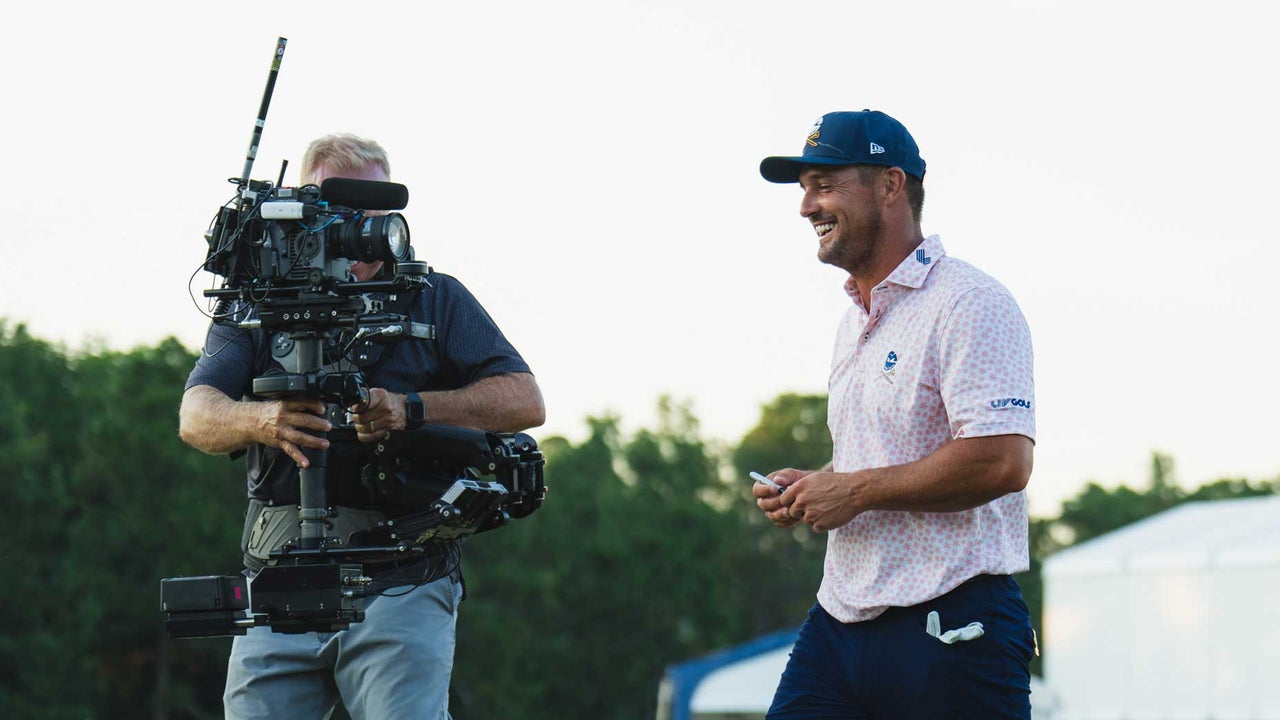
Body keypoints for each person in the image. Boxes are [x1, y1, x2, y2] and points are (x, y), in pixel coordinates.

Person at [179, 133, 545, 720]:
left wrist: (413, 409)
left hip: (401, 575)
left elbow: (524, 399)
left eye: (375, 216)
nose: (360, 234)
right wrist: (261, 419)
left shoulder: (433, 297)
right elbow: (196, 414)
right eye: (342, 216)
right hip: (280, 577)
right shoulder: (254, 303)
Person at [754, 110, 1038, 719]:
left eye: (825, 185)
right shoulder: (854, 318)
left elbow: (1003, 460)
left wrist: (853, 490)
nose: (807, 206)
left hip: (954, 626)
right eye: (804, 188)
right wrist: (817, 483)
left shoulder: (970, 301)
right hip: (840, 620)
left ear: (890, 185)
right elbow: (884, 456)